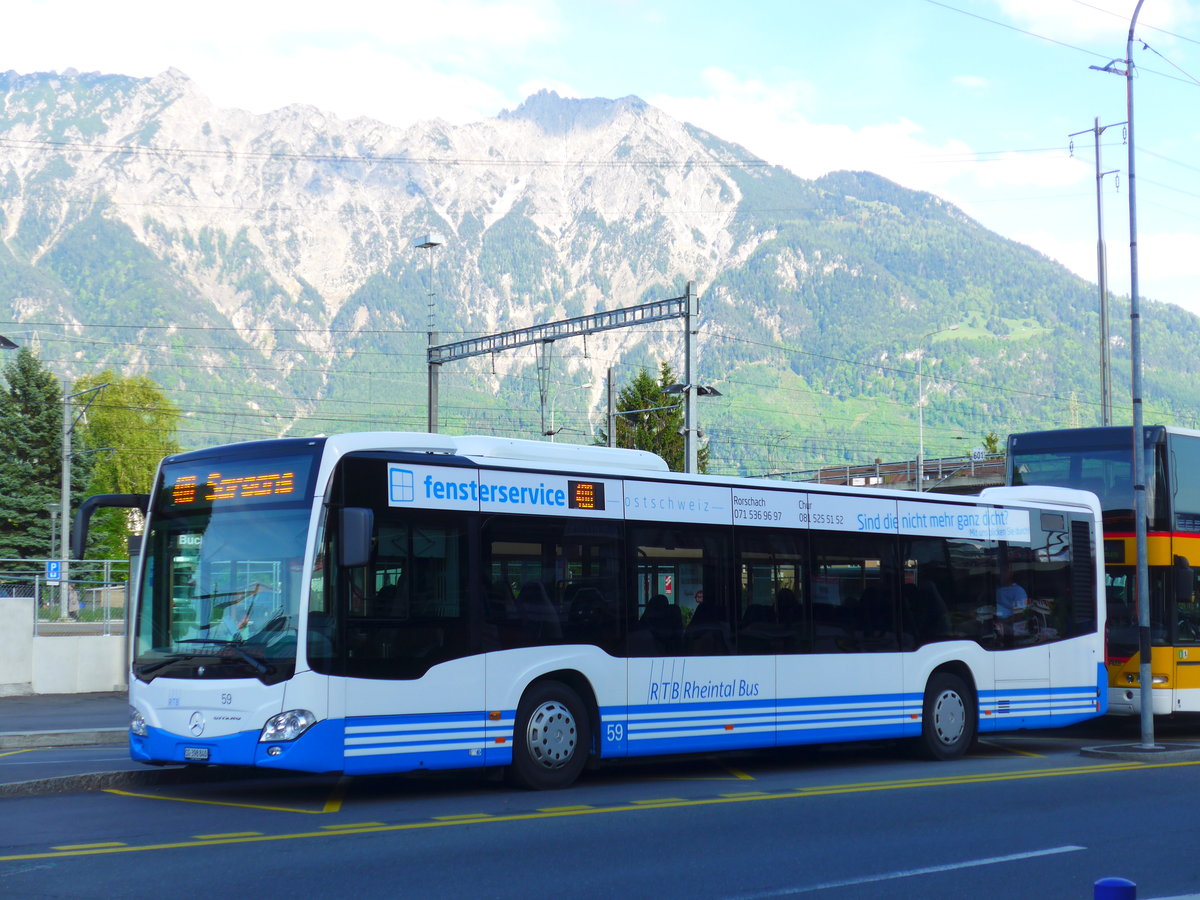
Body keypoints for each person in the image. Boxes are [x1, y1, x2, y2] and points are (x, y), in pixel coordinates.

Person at [995, 564, 1029, 641]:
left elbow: (1020, 615)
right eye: (1000, 571)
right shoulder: (995, 588)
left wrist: (1002, 622)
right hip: (990, 621)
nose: (1001, 573)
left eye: (1004, 571)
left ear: (1011, 572)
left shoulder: (1018, 591)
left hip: (1008, 627)